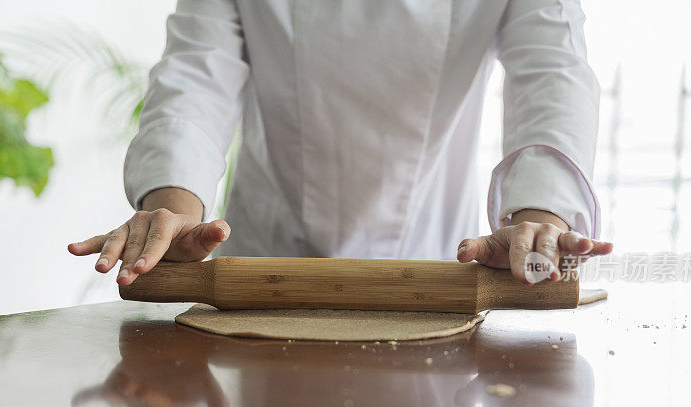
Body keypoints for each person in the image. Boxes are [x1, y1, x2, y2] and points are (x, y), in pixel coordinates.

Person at [69, 0, 613, 285]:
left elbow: (554, 67)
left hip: (431, 270)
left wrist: (540, 221)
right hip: (264, 270)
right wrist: (175, 211)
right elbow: (195, 75)